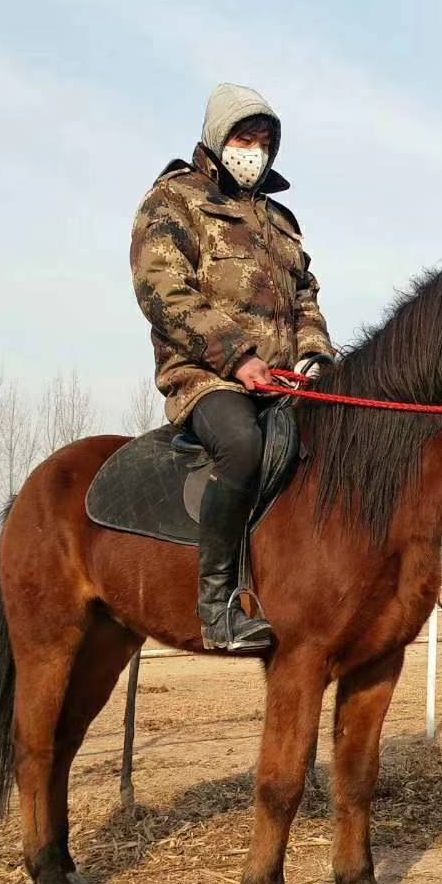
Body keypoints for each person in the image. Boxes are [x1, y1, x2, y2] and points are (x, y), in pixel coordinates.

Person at [130, 84, 335, 652]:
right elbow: (161, 288)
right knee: (241, 444)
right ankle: (217, 606)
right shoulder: (175, 200)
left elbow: (306, 297)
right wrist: (236, 357)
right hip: (206, 377)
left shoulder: (280, 219)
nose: (257, 152)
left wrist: (316, 354)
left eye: (266, 142)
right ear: (220, 139)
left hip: (284, 382)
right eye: (246, 138)